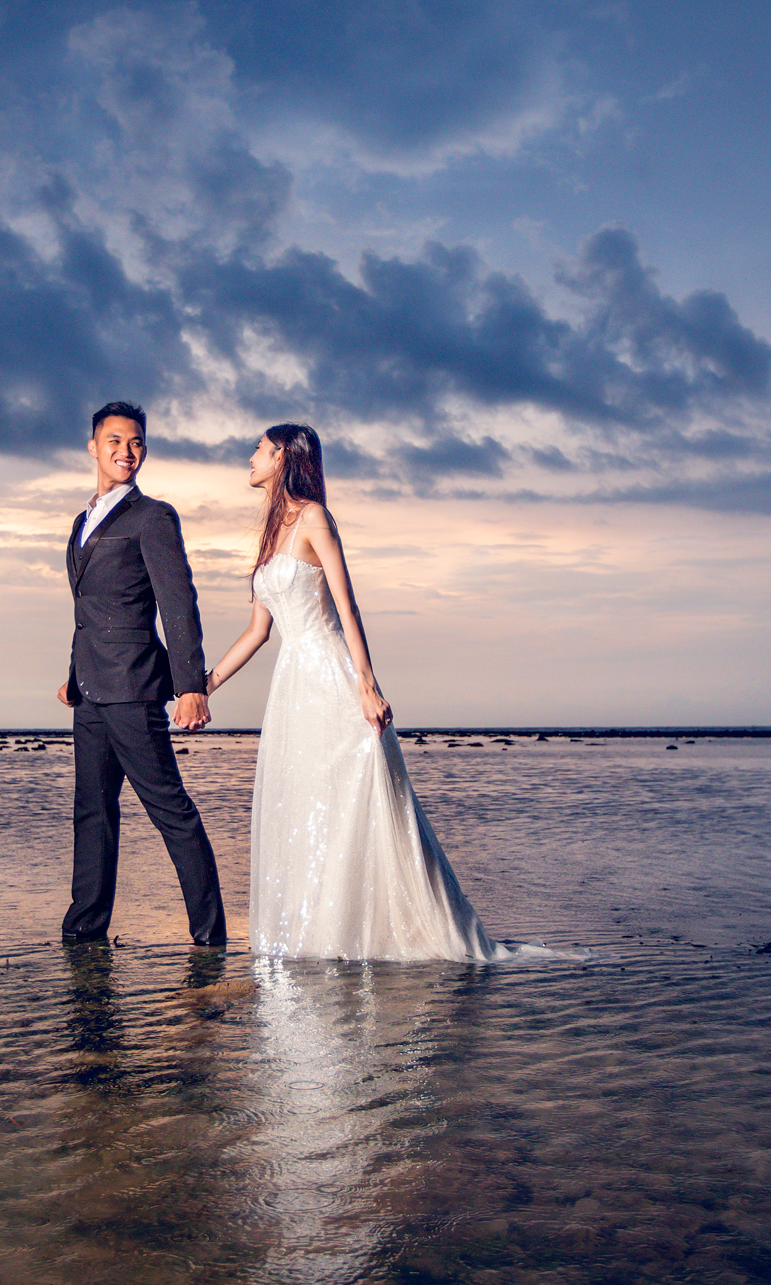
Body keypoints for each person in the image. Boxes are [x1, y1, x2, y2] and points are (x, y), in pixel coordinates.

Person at [202, 424, 509, 961]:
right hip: (291, 689)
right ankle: (317, 931)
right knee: (305, 805)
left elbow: (348, 608)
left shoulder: (316, 517)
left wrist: (368, 686)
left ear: (282, 457)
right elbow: (258, 631)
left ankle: (370, 930)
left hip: (331, 677)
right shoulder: (271, 533)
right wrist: (205, 685)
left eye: (258, 449)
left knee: (350, 802)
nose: (248, 457)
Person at [55, 401, 227, 947]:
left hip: (133, 687)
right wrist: (72, 674)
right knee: (93, 813)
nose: (126, 452)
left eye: (135, 443)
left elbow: (178, 603)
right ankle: (84, 930)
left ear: (143, 450)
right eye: (114, 442)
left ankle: (209, 936)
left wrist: (191, 685)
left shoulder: (154, 517)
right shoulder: (83, 521)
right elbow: (90, 608)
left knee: (170, 810)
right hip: (90, 693)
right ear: (93, 447)